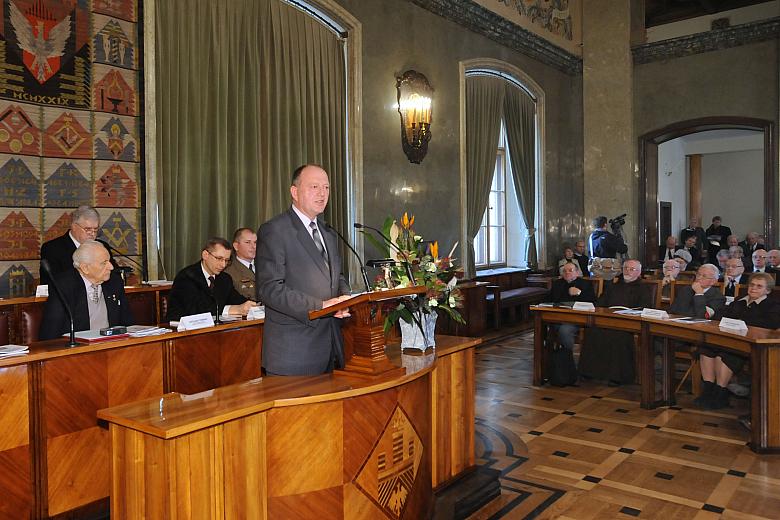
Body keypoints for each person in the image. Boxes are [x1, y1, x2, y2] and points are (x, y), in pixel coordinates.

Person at [256, 164, 352, 376]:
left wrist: (346, 298)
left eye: (326, 187)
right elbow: (270, 288)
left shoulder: (328, 233)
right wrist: (321, 306)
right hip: (293, 353)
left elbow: (337, 276)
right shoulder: (276, 230)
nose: (322, 193)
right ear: (294, 192)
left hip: (330, 348)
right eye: (314, 186)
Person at [697, 273, 780, 410]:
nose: (753, 288)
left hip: (751, 345)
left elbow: (771, 323)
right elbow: (719, 315)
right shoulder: (739, 300)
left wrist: (741, 323)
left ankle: (720, 393)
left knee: (723, 355)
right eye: (752, 285)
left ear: (768, 290)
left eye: (759, 286)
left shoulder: (772, 305)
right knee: (706, 350)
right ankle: (708, 391)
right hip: (727, 339)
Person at [578, 259, 655, 386]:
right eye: (625, 268)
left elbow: (645, 309)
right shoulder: (613, 286)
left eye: (632, 269)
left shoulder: (644, 288)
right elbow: (600, 304)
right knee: (592, 331)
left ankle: (618, 376)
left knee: (618, 336)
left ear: (639, 272)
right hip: (609, 320)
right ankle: (590, 372)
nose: (628, 271)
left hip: (630, 323)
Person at [39, 240, 134, 340]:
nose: (111, 267)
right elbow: (50, 333)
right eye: (104, 263)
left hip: (112, 345)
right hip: (78, 349)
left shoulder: (114, 282)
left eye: (109, 261)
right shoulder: (64, 286)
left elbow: (127, 323)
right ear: (85, 268)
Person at [166, 237, 255, 321]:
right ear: (205, 255)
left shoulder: (224, 278)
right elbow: (197, 310)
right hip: (181, 331)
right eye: (219, 259)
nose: (223, 265)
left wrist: (251, 306)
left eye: (226, 260)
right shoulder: (186, 277)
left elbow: (237, 300)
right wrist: (233, 309)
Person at [39, 205, 115, 285]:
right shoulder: (52, 248)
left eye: (95, 229)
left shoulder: (102, 246)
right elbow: (52, 281)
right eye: (88, 229)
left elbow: (114, 275)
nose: (92, 234)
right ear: (74, 227)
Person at [549, 263, 596, 354]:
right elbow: (551, 300)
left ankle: (567, 357)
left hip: (577, 318)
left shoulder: (586, 284)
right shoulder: (557, 284)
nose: (567, 273)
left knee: (564, 330)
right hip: (558, 317)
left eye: (570, 270)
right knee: (548, 325)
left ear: (577, 272)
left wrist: (580, 293)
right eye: (564, 271)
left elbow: (592, 303)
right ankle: (552, 356)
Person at [223, 228, 258, 300]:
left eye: (255, 242)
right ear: (236, 246)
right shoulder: (228, 271)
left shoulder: (267, 266)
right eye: (247, 242)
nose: (253, 246)